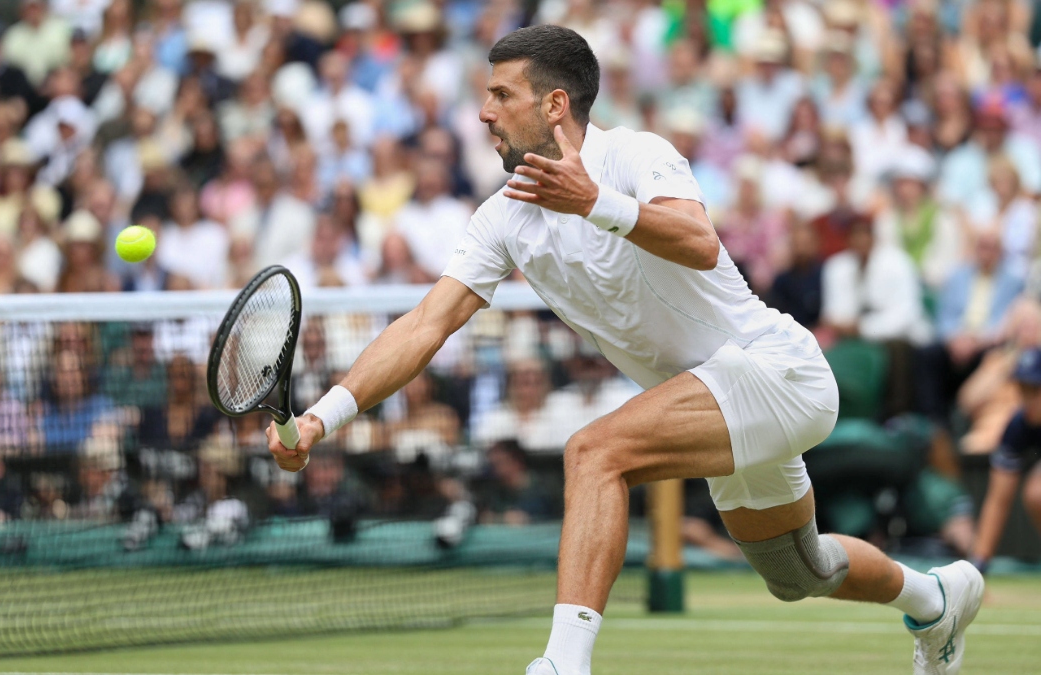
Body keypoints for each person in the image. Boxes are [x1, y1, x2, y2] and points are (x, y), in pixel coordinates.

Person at [264, 26, 983, 675]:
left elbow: (700, 241)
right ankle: (937, 596)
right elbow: (425, 323)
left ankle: (562, 665)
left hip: (775, 371)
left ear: (553, 105)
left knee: (593, 451)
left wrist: (597, 204)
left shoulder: (635, 153)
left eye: (500, 94)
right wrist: (323, 417)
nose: (484, 112)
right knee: (803, 570)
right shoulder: (502, 217)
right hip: (710, 399)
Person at [970, 347, 1041, 573]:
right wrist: (978, 568)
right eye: (1022, 388)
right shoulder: (1018, 425)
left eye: (1035, 390)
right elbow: (998, 500)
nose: (1026, 398)